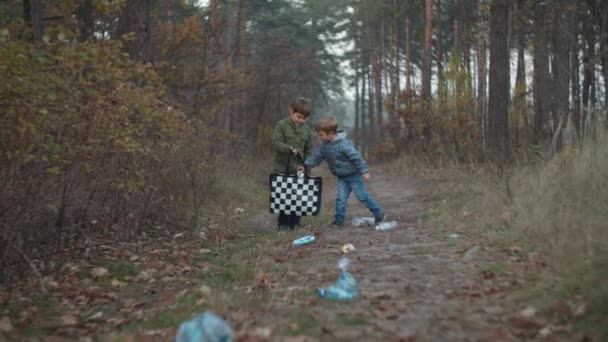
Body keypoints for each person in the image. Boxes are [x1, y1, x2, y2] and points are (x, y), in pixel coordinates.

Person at [301, 116, 385, 227]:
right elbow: (316, 157)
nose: (319, 137)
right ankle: (339, 221)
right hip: (342, 177)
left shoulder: (344, 145)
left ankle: (379, 213)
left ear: (330, 134)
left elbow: (356, 157)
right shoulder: (324, 147)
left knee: (362, 196)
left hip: (353, 176)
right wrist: (306, 165)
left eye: (321, 135)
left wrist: (364, 171)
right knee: (341, 198)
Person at [271, 97, 313, 230]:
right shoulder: (281, 125)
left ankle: (296, 222)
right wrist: (289, 149)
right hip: (283, 167)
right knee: (284, 196)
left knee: (299, 196)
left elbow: (309, 148)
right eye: (299, 117)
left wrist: (307, 163)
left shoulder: (307, 129)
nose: (301, 120)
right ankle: (283, 224)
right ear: (291, 111)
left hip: (300, 168)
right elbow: (276, 143)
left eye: (304, 118)